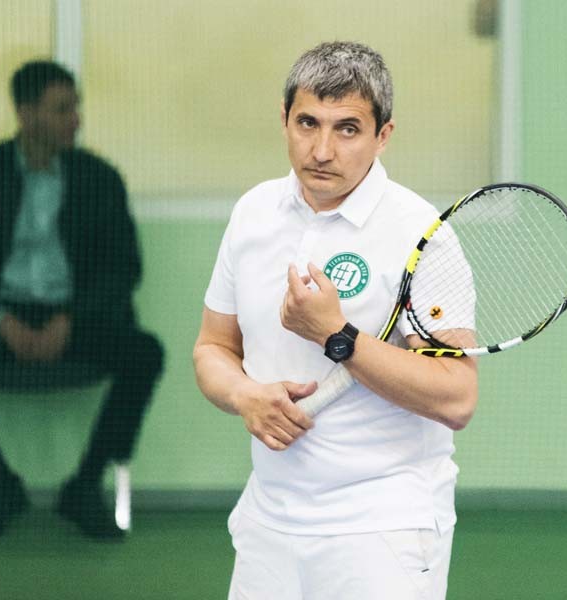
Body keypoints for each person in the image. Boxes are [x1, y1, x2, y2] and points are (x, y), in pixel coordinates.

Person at [193, 41, 478, 599]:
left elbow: (456, 396)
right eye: (308, 123)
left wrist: (337, 335)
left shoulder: (422, 234)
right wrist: (244, 395)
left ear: (383, 135)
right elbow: (213, 347)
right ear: (284, 119)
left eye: (347, 129)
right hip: (268, 523)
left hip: (383, 528)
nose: (322, 150)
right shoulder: (252, 214)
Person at [0, 60, 164, 540]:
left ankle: (85, 487)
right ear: (26, 114)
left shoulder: (98, 179)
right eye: (62, 109)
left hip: (75, 316)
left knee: (143, 353)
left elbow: (123, 267)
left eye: (75, 107)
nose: (76, 119)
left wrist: (70, 318)